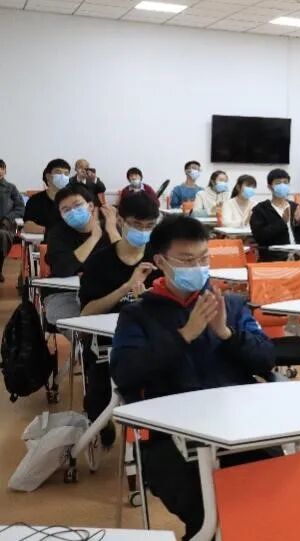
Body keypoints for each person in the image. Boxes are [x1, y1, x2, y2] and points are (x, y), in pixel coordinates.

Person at [109, 215, 275, 541]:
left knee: (274, 494)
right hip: (172, 436)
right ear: (161, 262)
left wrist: (225, 333)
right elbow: (125, 373)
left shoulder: (229, 304)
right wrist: (184, 335)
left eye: (203, 259)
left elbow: (267, 358)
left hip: (237, 428)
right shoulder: (138, 314)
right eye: (186, 261)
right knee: (208, 516)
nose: (198, 268)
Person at [78, 194, 159, 445]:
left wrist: (149, 300)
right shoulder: (100, 261)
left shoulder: (160, 258)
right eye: (137, 224)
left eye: (149, 226)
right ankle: (102, 420)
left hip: (151, 338)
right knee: (101, 393)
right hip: (107, 342)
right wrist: (126, 287)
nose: (143, 231)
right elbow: (86, 313)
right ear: (121, 221)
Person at [43, 185, 118, 324]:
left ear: (90, 206)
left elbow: (125, 263)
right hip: (65, 293)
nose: (73, 212)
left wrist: (113, 230)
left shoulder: (110, 227)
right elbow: (63, 269)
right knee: (79, 324)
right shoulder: (57, 234)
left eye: (77, 205)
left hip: (107, 292)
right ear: (61, 214)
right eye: (66, 210)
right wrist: (93, 238)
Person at [249, 169, 300, 262]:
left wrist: (298, 222)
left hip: (299, 257)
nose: (282, 185)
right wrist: (282, 222)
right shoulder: (260, 210)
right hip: (274, 259)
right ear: (269, 187)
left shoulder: (297, 208)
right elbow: (260, 237)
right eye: (278, 183)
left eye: (285, 182)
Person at [23, 158, 72, 234]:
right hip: (42, 239)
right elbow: (27, 226)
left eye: (66, 174)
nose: (63, 176)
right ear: (48, 176)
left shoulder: (73, 200)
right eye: (58, 172)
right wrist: (52, 232)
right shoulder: (35, 200)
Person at [0, 159, 25, 282]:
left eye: (1, 168)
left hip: (5, 224)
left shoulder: (10, 188)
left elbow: (20, 208)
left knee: (2, 235)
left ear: (5, 171)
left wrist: (7, 218)